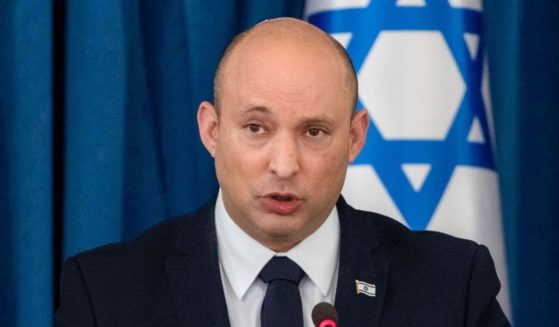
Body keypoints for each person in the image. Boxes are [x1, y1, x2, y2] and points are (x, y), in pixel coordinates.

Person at [55, 18, 510, 326]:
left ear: (355, 138)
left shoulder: (453, 288)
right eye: (256, 128)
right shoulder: (106, 296)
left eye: (314, 132)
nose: (285, 165)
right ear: (211, 130)